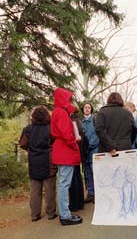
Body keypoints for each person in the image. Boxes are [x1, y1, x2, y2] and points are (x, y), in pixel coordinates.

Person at [19, 106, 58, 222]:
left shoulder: (28, 129)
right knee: (50, 189)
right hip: (48, 162)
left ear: (34, 116)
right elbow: (55, 142)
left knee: (35, 190)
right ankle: (51, 213)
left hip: (34, 161)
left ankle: (35, 215)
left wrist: (30, 150)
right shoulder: (51, 129)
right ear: (46, 115)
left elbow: (23, 144)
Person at [51, 88, 83, 225]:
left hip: (62, 149)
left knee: (63, 183)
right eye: (68, 99)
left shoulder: (59, 111)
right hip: (65, 150)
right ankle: (65, 215)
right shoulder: (61, 113)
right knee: (64, 184)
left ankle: (65, 213)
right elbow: (66, 134)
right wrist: (74, 144)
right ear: (63, 99)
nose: (70, 101)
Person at [81, 102, 99, 203]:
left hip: (94, 151)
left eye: (89, 107)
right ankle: (91, 193)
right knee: (87, 174)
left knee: (95, 173)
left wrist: (89, 145)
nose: (87, 109)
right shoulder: (81, 122)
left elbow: (97, 135)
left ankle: (98, 194)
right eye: (85, 107)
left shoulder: (95, 120)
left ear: (91, 109)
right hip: (84, 153)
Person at [68, 107, 85, 211]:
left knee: (73, 179)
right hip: (78, 152)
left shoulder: (72, 122)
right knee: (78, 177)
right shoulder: (79, 121)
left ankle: (74, 204)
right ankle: (80, 202)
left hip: (72, 151)